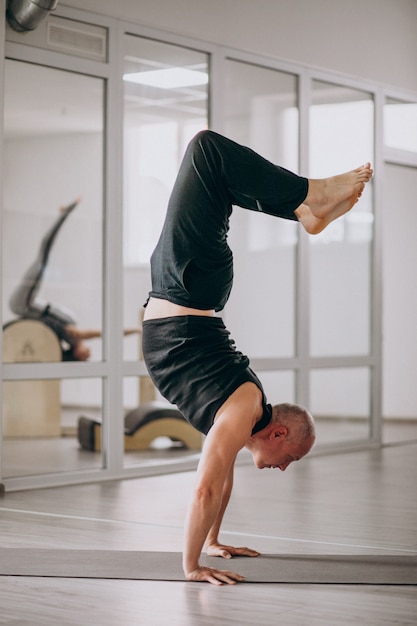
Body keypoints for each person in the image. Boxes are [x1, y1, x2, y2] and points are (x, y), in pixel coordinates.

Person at [141, 130, 373, 585]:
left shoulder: (244, 413)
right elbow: (207, 486)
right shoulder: (244, 407)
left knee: (219, 180)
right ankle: (311, 196)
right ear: (279, 432)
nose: (285, 468)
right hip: (185, 287)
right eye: (291, 457)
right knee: (206, 151)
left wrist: (212, 542)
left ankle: (304, 208)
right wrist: (191, 568)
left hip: (191, 290)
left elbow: (221, 481)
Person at [9, 198, 138, 360]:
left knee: (43, 255)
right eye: (88, 355)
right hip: (28, 304)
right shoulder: (69, 334)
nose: (88, 353)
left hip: (23, 304)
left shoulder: (72, 335)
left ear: (75, 354)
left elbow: (103, 333)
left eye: (84, 356)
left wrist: (136, 330)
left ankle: (64, 213)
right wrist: (136, 330)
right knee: (43, 256)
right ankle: (64, 214)